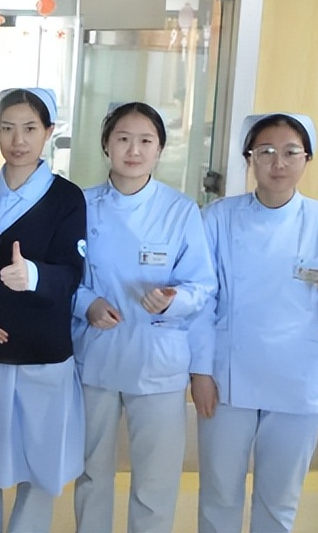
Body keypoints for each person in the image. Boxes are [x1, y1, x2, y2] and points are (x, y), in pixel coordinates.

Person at [189, 112, 318, 533]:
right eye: (266, 152)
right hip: (227, 377)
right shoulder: (217, 218)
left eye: (291, 152)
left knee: (279, 501)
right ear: (249, 158)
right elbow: (201, 302)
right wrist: (199, 371)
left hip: (298, 380)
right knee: (218, 495)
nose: (279, 162)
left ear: (307, 158)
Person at [0, 87, 87, 533]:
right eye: (7, 128)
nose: (18, 140)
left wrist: (34, 276)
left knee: (39, 466)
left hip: (41, 355)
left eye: (29, 128)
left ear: (49, 131)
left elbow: (72, 272)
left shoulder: (66, 198)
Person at [71, 102, 217, 533]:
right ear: (106, 145)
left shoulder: (181, 210)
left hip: (157, 360)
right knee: (91, 473)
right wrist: (86, 304)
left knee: (156, 480)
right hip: (96, 355)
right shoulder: (80, 205)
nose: (133, 150)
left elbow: (202, 285)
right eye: (123, 139)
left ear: (159, 149)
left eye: (145, 140)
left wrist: (174, 300)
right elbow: (62, 277)